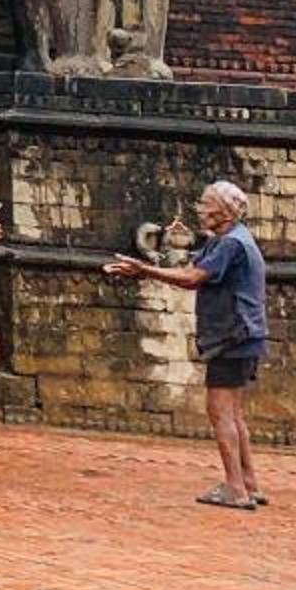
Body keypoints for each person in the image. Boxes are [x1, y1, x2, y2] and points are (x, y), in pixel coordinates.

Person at [105, 180, 270, 509]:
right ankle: (248, 483)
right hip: (244, 334)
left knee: (220, 411)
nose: (200, 210)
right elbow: (192, 268)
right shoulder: (228, 239)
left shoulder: (231, 244)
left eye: (206, 204)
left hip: (234, 334)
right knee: (233, 413)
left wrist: (144, 270)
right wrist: (145, 269)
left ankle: (235, 488)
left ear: (224, 212)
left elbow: (193, 278)